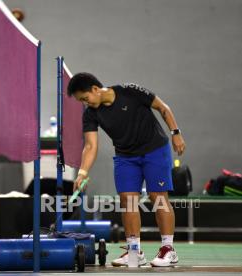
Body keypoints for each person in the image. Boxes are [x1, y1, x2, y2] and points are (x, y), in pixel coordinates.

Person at [67, 73, 186, 267]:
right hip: (125, 156)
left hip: (154, 149)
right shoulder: (90, 114)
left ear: (95, 89)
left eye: (85, 98)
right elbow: (90, 146)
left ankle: (168, 249)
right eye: (81, 101)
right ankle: (133, 252)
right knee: (127, 199)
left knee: (158, 197)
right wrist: (82, 172)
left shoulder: (130, 91)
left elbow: (163, 108)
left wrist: (176, 133)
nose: (85, 103)